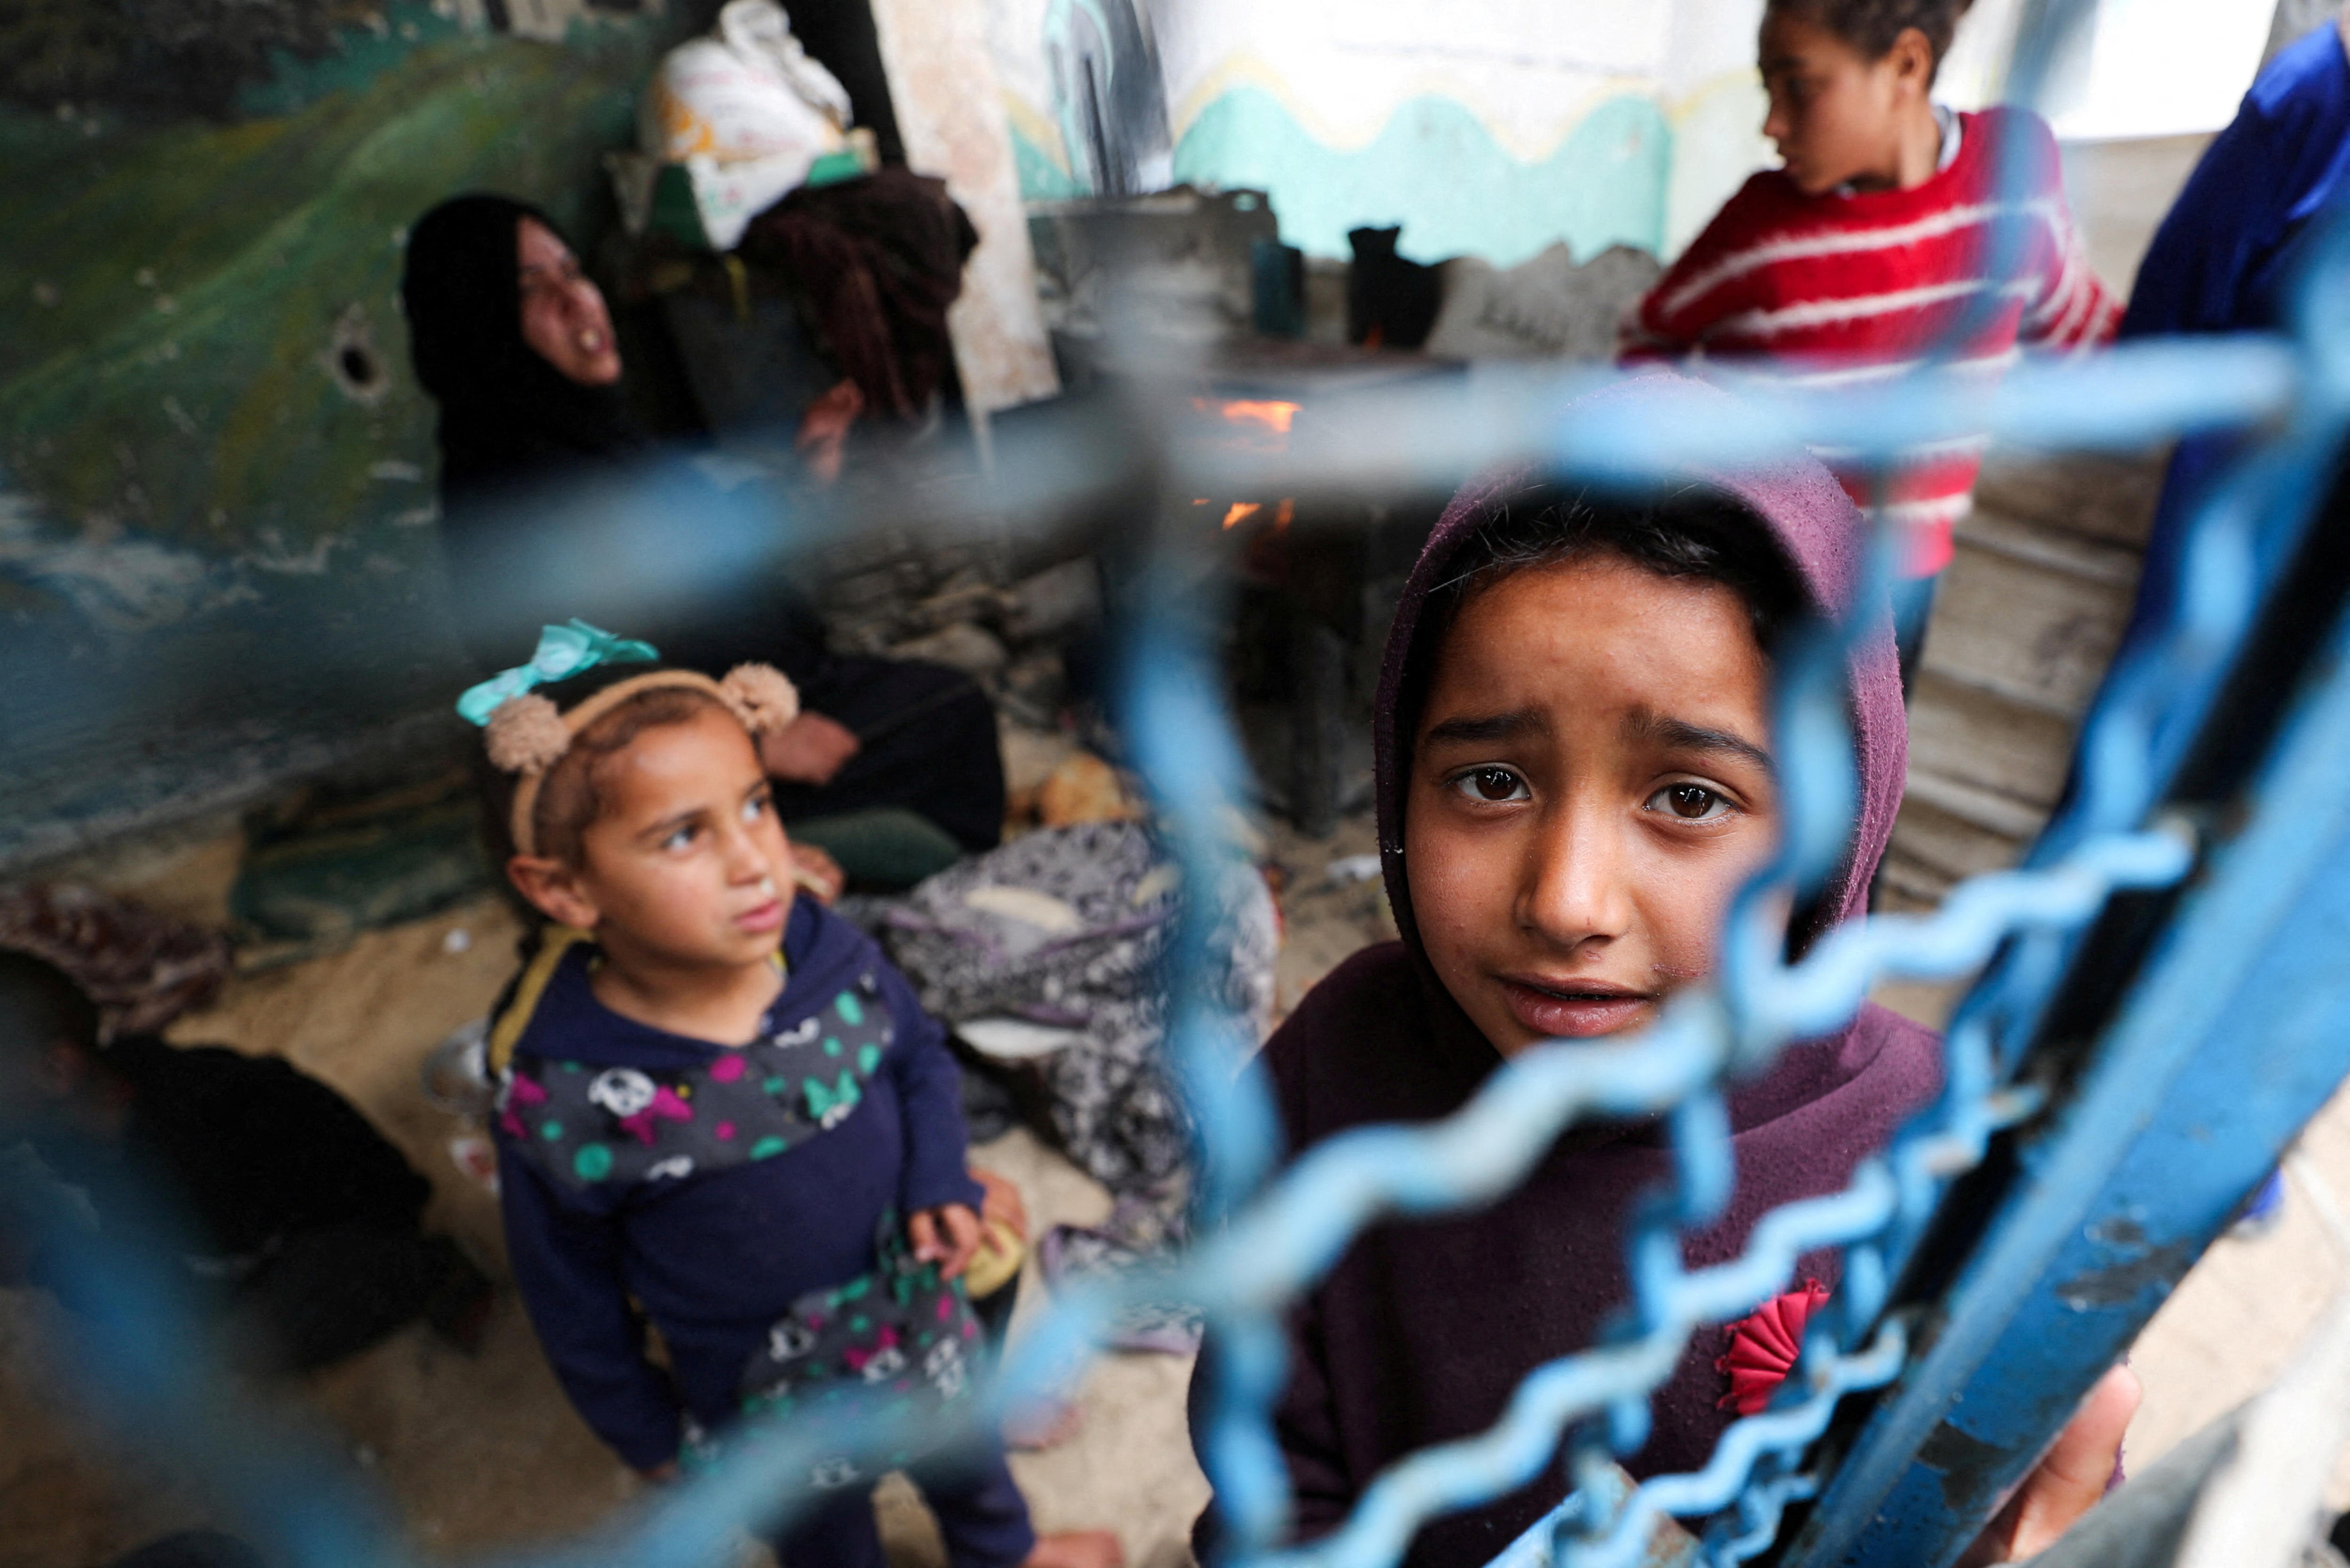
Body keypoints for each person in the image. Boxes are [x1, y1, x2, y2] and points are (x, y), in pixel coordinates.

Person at [1185, 382, 2136, 1567]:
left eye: (1688, 797)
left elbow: (2005, 1497)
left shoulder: (1947, 1154)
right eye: (1491, 780)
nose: (1568, 902)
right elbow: (1269, 1474)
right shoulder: (1330, 1070)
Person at [459, 628, 1116, 1568]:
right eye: (683, 834)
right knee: (825, 1540)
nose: (755, 860)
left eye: (757, 804)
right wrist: (644, 1438)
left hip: (919, 1308)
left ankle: (1006, 1557)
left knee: (967, 1467)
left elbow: (919, 1059)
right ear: (563, 889)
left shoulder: (824, 950)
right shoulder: (563, 1098)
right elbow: (571, 1298)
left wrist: (938, 1176)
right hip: (764, 1400)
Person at [400, 193, 1005, 885]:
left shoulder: (577, 437)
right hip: (672, 766)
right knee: (948, 718)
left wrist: (801, 482)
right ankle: (783, 868)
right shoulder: (514, 493)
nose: (576, 302)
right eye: (533, 289)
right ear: (478, 326)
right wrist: (751, 744)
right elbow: (568, 687)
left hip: (743, 698)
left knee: (934, 707)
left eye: (571, 272)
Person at [1622, 0, 2120, 683]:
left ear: (1906, 65)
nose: (1773, 124)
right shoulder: (1762, 226)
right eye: (1769, 90)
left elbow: (2074, 327)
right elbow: (1651, 338)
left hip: (1900, 592)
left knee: (1863, 784)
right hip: (1756, 577)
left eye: (1799, 85)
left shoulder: (2015, 173)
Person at [0, 950, 493, 1374]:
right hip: (253, 1232)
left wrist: (40, 1260)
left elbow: (196, 1284)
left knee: (229, 1352)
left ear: (56, 1070)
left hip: (348, 1232)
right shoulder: (84, 1109)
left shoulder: (190, 1139)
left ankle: (435, 1271)